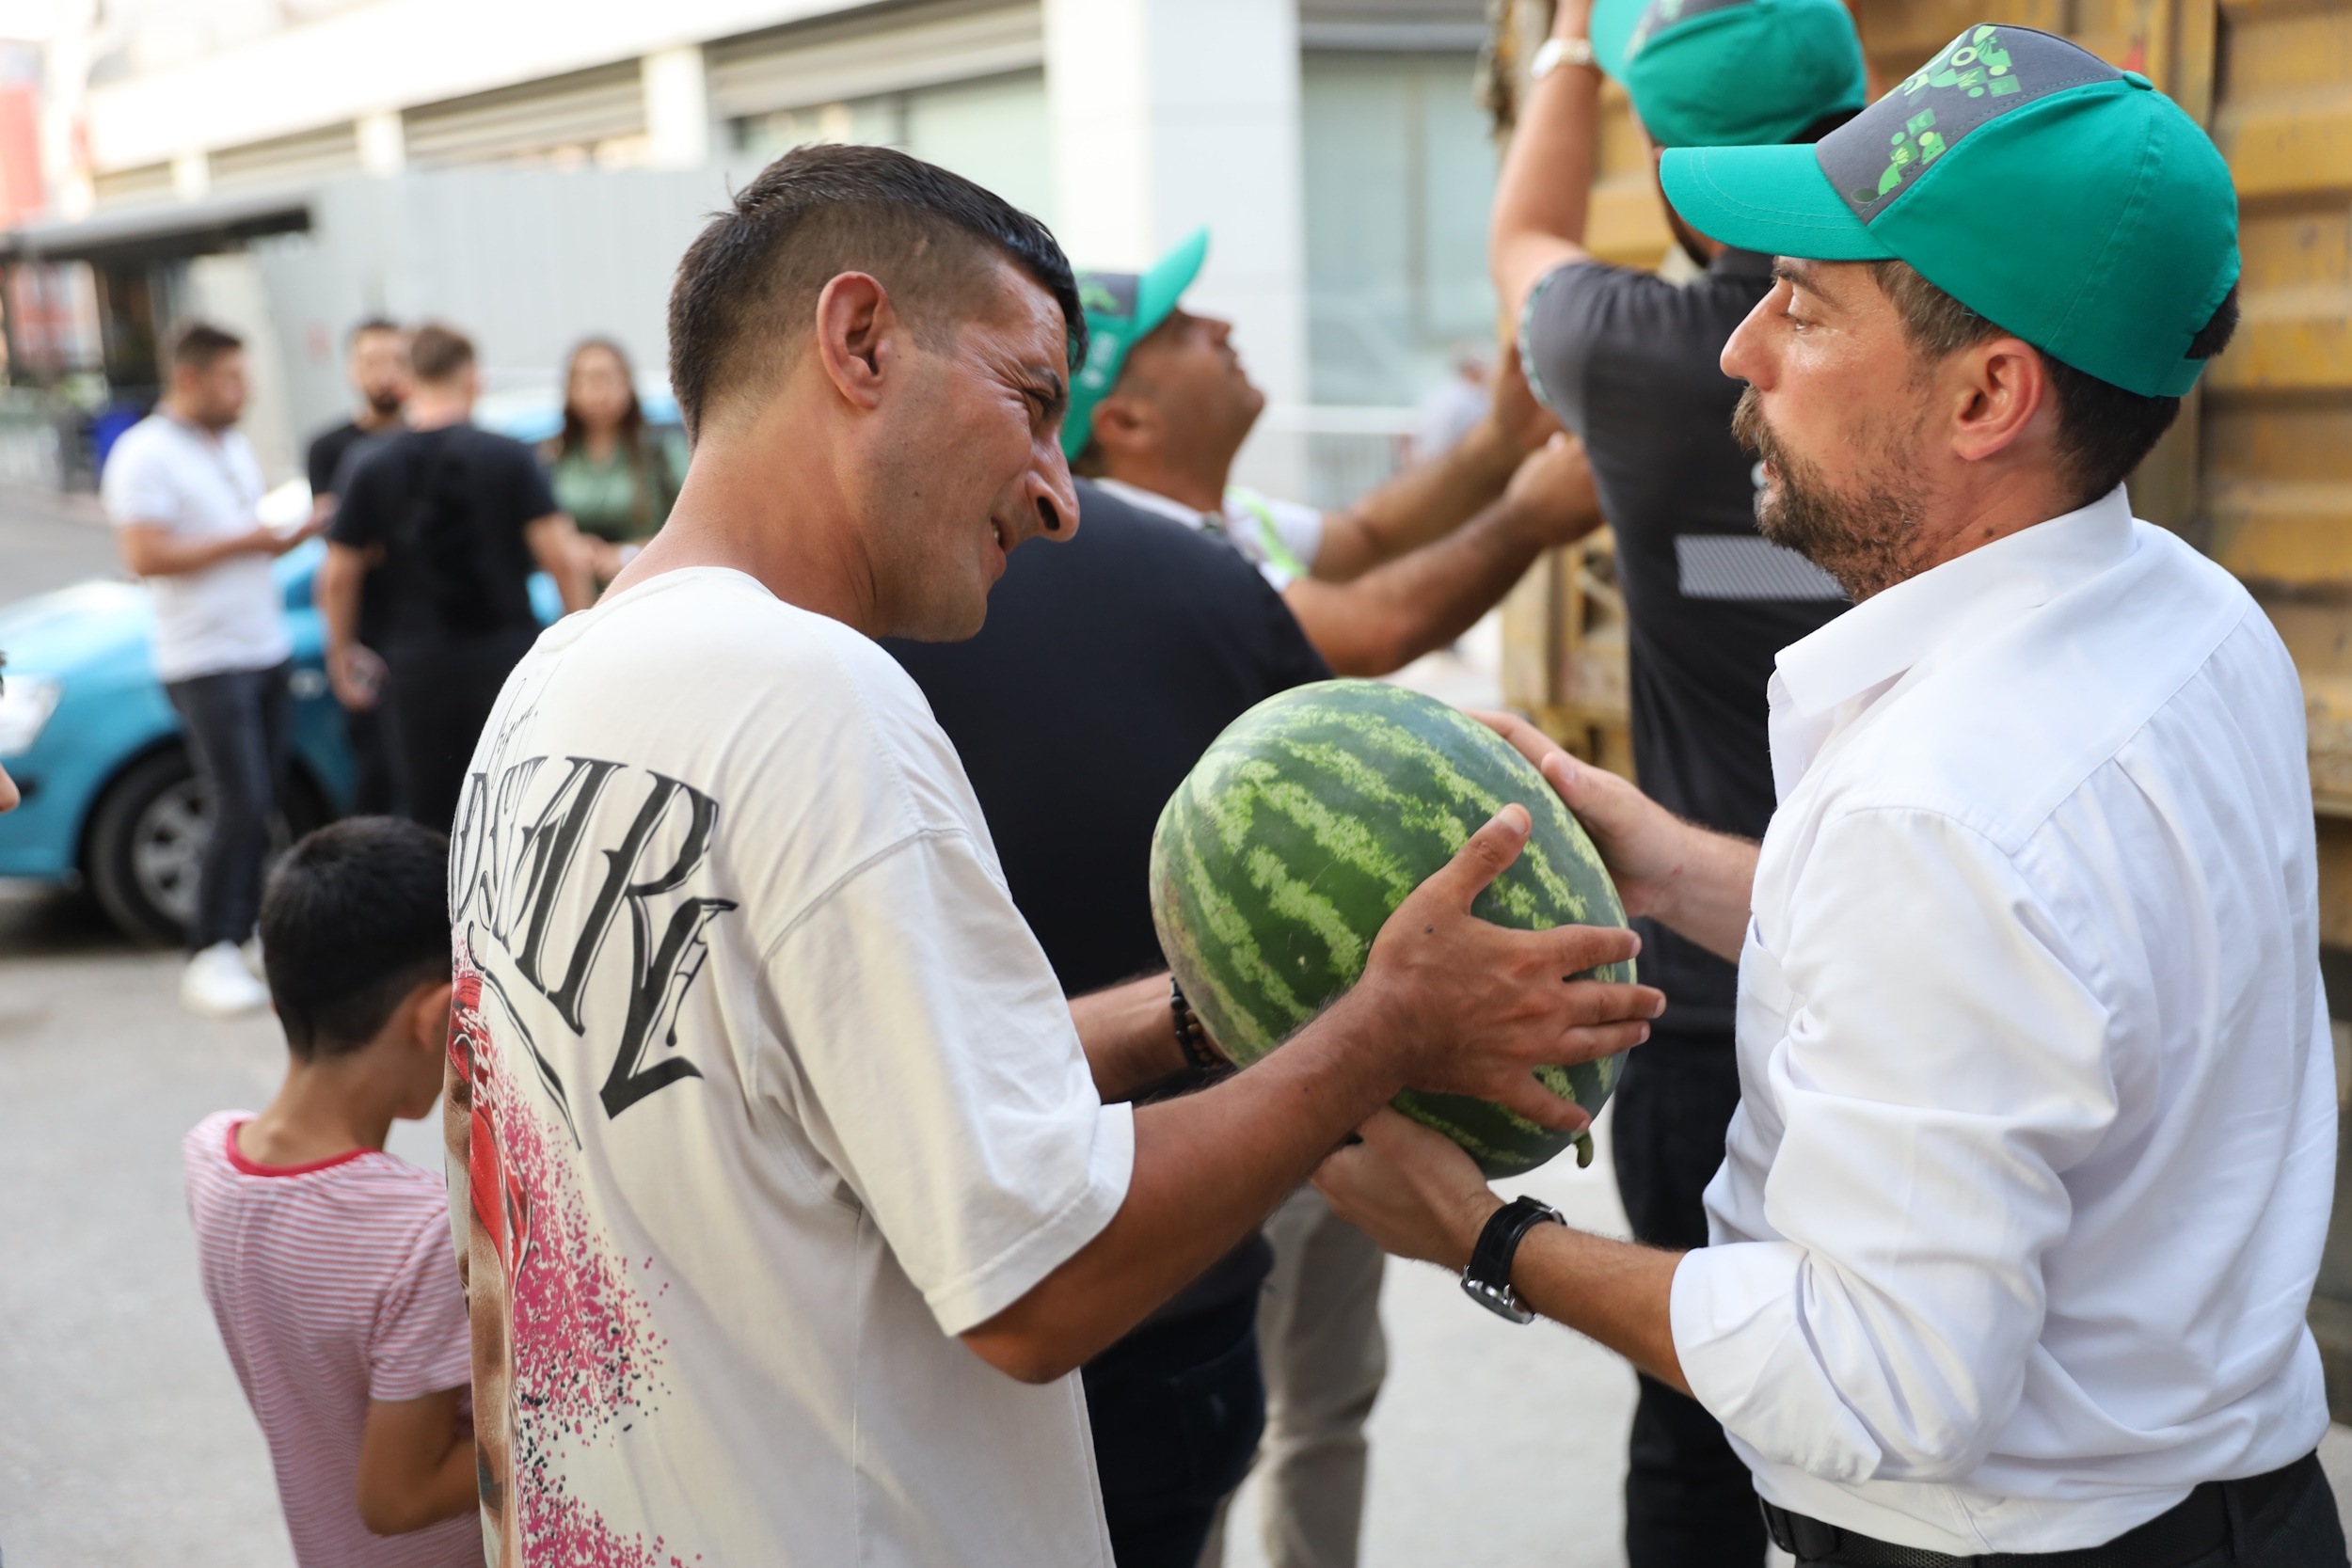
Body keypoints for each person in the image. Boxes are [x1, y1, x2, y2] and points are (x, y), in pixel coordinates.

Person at [439, 142, 1661, 1566]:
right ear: (860, 340)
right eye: (1031, 402)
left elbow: (842, 1098)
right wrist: (1382, 1030)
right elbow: (1034, 1284)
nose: (1060, 494)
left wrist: (1198, 1018)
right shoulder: (815, 701)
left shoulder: (553, 689)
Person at [1319, 25, 2347, 1567]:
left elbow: (1878, 1382)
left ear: (1987, 393)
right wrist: (1667, 863)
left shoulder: (1936, 811)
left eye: (1802, 307)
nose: (1738, 347)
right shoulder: (2197, 617)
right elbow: (2055, 980)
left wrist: (1490, 1235)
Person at [887, 432, 1605, 1568]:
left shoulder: (1222, 545)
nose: (1220, 335)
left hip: (1210, 1120)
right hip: (1117, 1244)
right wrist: (1386, 1045)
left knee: (1285, 1411)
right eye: (1185, 328)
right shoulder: (861, 660)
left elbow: (1366, 567)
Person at [1485, 0, 1867, 1558]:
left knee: (1700, 1398)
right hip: (1916, 969)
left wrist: (1567, 42)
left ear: (1672, 166)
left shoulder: (1638, 357)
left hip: (1711, 1005)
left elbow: (1525, 235)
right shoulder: (1944, 329)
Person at [1067, 229, 1573, 678]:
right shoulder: (1151, 556)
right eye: (1181, 330)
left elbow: (1364, 536)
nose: (1220, 325)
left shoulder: (1223, 517)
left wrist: (1503, 441)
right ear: (1128, 424)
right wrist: (1530, 519)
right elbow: (1373, 632)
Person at [183, 816, 480, 1567]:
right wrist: (573, 1414)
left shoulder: (212, 1153)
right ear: (436, 1016)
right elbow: (395, 1498)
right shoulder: (419, 1237)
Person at [104, 322, 321, 1017]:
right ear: (190, 379)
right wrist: (251, 539)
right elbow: (145, 554)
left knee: (266, 799)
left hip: (262, 646)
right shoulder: (144, 452)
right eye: (231, 378)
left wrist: (281, 537)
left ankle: (249, 933)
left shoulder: (226, 442)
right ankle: (209, 947)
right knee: (236, 800)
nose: (245, 391)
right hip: (204, 658)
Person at [318, 323, 591, 834]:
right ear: (473, 378)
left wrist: (341, 652)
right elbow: (564, 559)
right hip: (505, 661)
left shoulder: (370, 463)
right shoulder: (510, 455)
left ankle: (445, 916)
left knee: (433, 819)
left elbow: (337, 575)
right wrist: (577, 640)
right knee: (514, 811)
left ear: (408, 381)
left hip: (417, 666)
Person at [306, 317, 412, 816]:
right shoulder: (329, 447)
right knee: (376, 777)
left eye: (397, 360)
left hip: (429, 633)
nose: (385, 373)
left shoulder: (429, 437)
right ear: (352, 369)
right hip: (366, 632)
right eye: (372, 361)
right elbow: (341, 549)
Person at [543, 337, 685, 580]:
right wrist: (571, 548)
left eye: (605, 378)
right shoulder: (554, 456)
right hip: (583, 601)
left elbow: (694, 526)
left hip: (649, 587)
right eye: (585, 379)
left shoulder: (661, 449)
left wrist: (627, 554)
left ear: (627, 382)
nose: (596, 392)